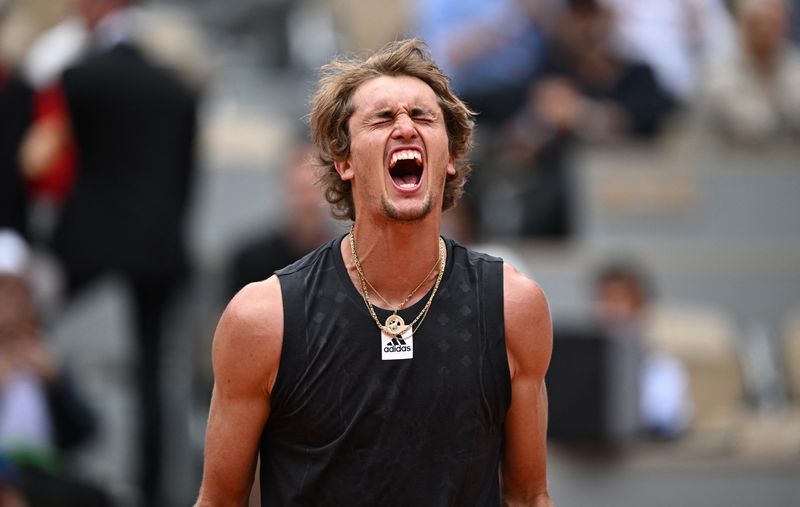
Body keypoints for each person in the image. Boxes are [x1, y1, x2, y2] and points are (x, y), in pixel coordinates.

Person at [196, 39, 554, 506]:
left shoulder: (513, 307)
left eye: (423, 117)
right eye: (382, 118)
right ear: (342, 161)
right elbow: (220, 500)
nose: (405, 127)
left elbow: (528, 497)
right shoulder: (263, 319)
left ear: (449, 157)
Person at [46, 1, 199, 504]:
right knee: (156, 383)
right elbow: (183, 181)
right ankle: (154, 489)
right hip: (159, 251)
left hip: (90, 252)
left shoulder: (79, 76)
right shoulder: (177, 86)